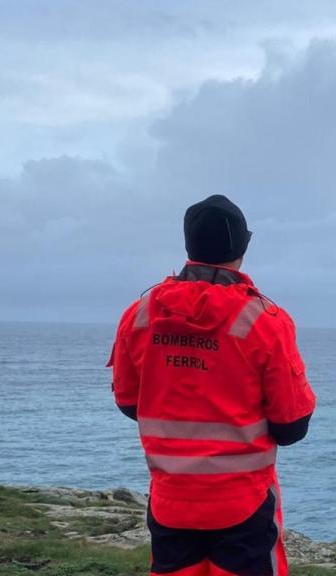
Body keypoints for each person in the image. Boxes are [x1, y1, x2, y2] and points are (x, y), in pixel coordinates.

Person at [109, 194, 316, 576]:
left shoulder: (139, 314)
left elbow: (128, 403)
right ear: (242, 247)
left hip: (171, 501)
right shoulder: (265, 321)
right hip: (244, 505)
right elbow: (291, 426)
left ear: (189, 245)